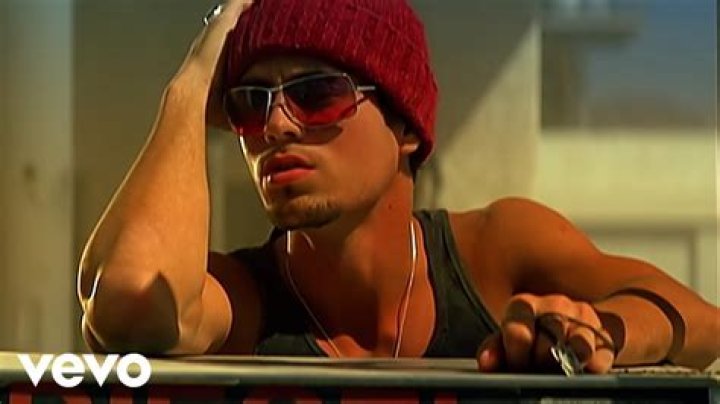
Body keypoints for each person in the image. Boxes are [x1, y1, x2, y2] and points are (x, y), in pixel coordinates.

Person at [77, 0, 719, 374]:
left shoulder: (494, 249)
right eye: (249, 101)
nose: (275, 125)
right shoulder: (241, 297)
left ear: (406, 128)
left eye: (316, 93)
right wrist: (189, 89)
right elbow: (129, 303)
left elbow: (701, 322)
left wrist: (600, 331)